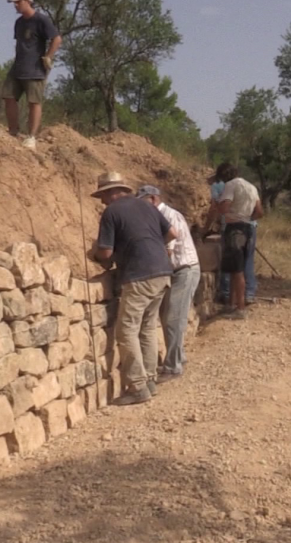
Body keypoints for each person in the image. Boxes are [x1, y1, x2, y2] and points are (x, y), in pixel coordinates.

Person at [90, 172, 177, 406]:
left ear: (111, 192)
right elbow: (171, 234)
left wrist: (96, 255)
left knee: (126, 330)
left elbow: (106, 253)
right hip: (163, 271)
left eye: (102, 195)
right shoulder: (147, 206)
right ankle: (150, 381)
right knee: (147, 327)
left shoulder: (111, 213)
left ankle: (137, 386)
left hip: (140, 275)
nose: (101, 201)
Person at [138, 185, 201, 383]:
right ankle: (178, 357)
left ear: (153, 199)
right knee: (169, 316)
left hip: (184, 270)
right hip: (175, 271)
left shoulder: (169, 216)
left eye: (143, 202)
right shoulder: (160, 216)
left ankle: (173, 366)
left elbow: (168, 250)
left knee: (174, 317)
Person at [3, 0, 61, 151]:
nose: (15, 5)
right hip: (18, 66)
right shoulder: (19, 22)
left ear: (27, 1)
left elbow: (56, 38)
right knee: (8, 96)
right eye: (14, 2)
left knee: (34, 102)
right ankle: (13, 131)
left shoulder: (41, 20)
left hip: (35, 68)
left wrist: (48, 56)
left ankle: (31, 137)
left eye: (18, 2)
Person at [205, 164, 263, 318]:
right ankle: (231, 304)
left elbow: (223, 209)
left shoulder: (230, 185)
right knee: (236, 266)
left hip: (235, 229)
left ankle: (240, 309)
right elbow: (259, 211)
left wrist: (219, 205)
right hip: (248, 229)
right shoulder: (251, 187)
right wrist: (248, 218)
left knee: (237, 270)